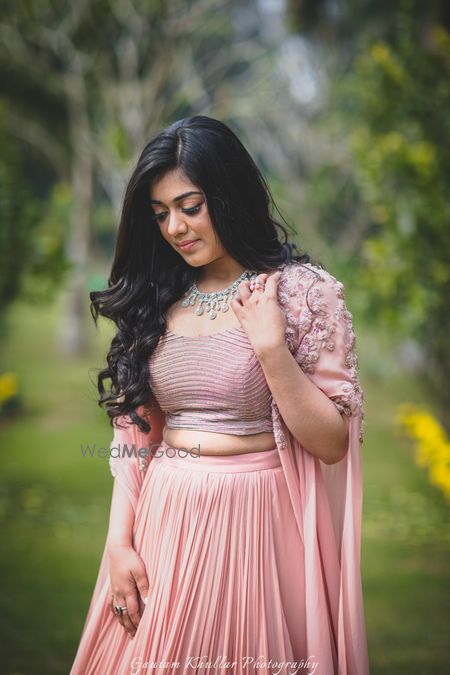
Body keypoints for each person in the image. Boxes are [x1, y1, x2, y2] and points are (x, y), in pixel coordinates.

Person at [69, 115, 370, 675]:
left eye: (190, 206)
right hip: (165, 522)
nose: (175, 228)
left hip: (262, 525)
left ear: (228, 196)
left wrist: (272, 351)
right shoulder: (157, 297)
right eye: (160, 214)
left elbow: (332, 443)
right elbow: (137, 439)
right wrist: (118, 542)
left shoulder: (305, 294)